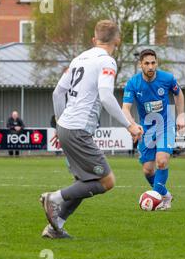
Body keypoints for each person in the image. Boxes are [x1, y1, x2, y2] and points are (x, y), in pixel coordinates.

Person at [40, 20, 143, 239]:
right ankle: (54, 198)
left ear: (93, 39)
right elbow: (106, 96)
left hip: (67, 126)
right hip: (78, 129)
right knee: (107, 181)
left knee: (85, 181)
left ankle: (54, 226)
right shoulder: (107, 61)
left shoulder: (79, 58)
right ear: (118, 40)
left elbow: (57, 93)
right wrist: (130, 125)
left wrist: (59, 125)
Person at [122, 49, 185, 211]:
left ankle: (154, 199)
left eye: (153, 63)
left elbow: (178, 94)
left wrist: (181, 115)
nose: (150, 66)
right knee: (148, 170)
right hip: (146, 130)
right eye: (147, 63)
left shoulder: (167, 78)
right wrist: (133, 125)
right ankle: (165, 196)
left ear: (156, 63)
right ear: (140, 65)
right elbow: (125, 109)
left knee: (162, 161)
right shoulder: (133, 83)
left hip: (165, 126)